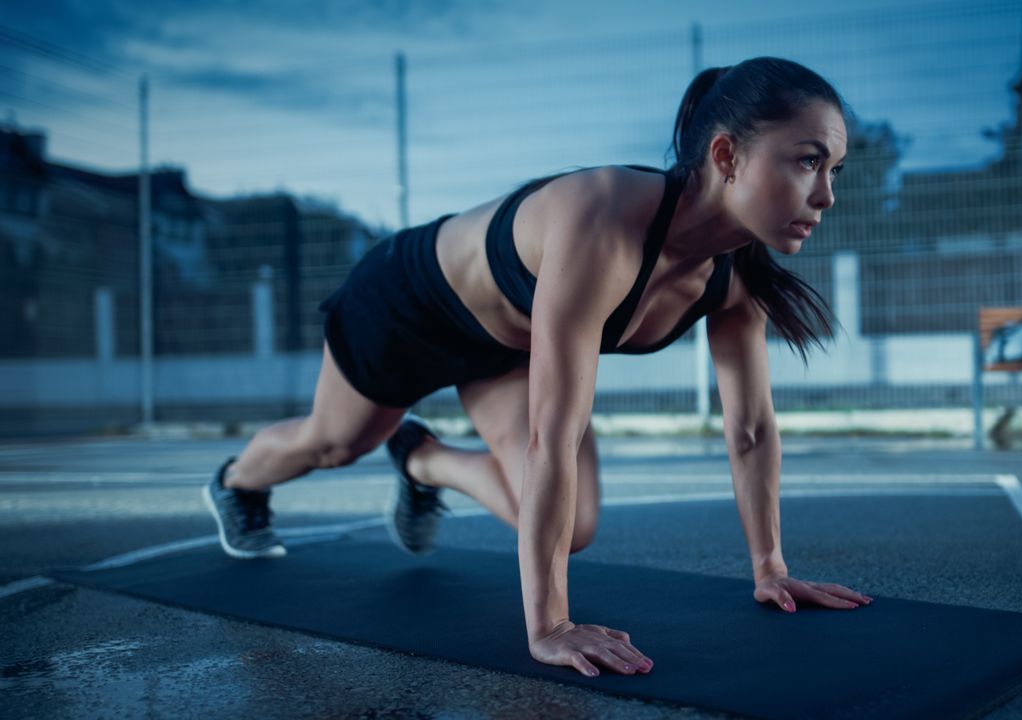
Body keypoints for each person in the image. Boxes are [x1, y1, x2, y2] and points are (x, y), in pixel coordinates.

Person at [202, 56, 874, 679]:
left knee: (571, 528)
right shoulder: (603, 222)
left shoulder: (733, 283)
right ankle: (237, 484)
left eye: (834, 170)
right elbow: (552, 434)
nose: (826, 196)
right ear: (727, 154)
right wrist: (549, 624)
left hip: (506, 349)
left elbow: (750, 429)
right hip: (409, 306)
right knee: (336, 442)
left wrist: (770, 568)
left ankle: (421, 460)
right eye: (807, 162)